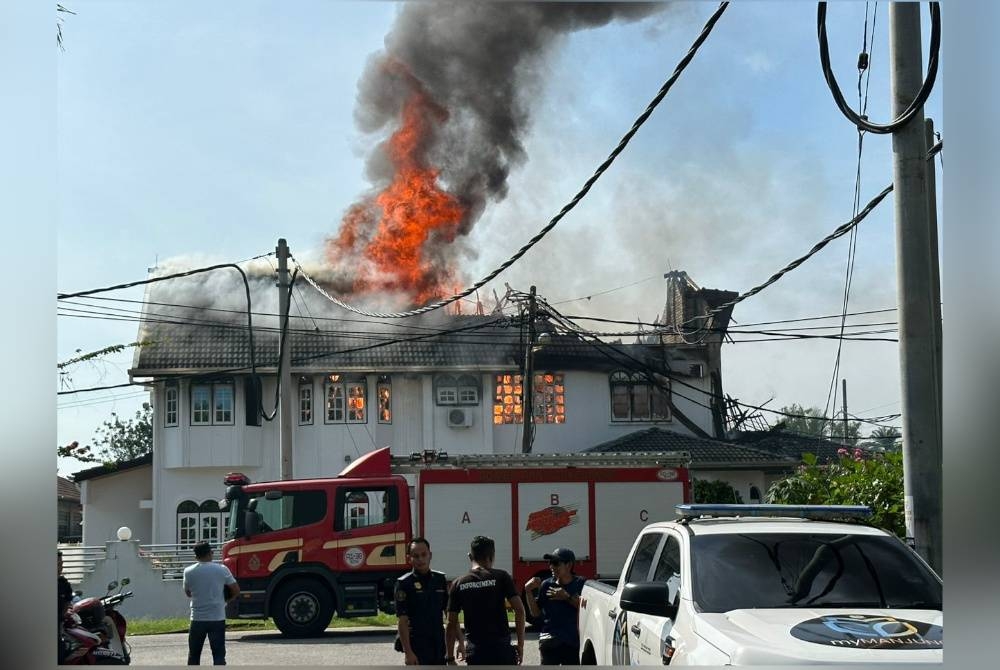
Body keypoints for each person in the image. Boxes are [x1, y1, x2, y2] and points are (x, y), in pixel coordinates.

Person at [446, 535, 525, 666]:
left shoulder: (458, 583)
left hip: (476, 651)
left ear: (470, 556)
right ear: (492, 556)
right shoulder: (502, 576)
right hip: (501, 649)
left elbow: (451, 623)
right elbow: (520, 611)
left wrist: (450, 658)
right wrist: (520, 645)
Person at [394, 537, 451, 665]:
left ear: (430, 555)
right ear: (409, 558)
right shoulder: (404, 583)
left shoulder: (440, 579)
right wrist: (408, 652)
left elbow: (449, 615)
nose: (420, 559)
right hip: (417, 645)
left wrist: (456, 644)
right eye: (416, 556)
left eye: (424, 555)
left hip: (438, 643)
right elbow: (402, 621)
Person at [524, 548, 586, 665]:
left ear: (569, 565)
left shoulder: (580, 584)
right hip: (550, 642)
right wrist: (528, 591)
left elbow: (585, 609)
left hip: (572, 643)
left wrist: (566, 597)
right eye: (550, 563)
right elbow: (535, 613)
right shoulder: (546, 585)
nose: (551, 567)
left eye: (556, 563)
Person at [183, 541, 239, 665]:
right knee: (218, 656)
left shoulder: (188, 571)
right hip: (217, 618)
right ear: (209, 553)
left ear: (196, 556)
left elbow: (188, 593)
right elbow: (236, 590)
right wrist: (226, 601)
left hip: (197, 618)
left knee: (194, 656)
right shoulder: (222, 569)